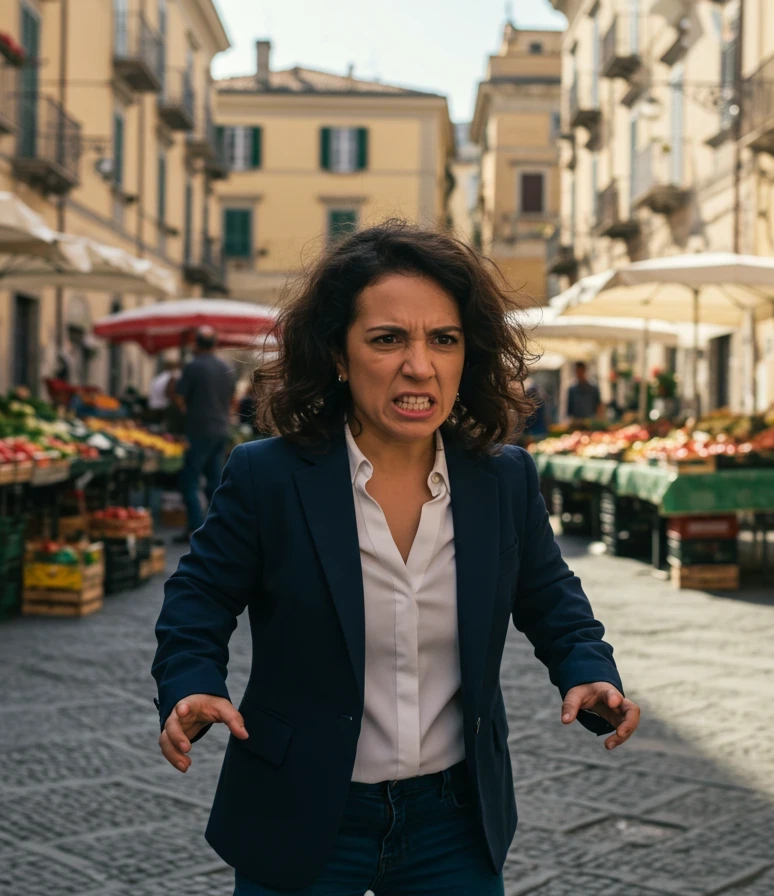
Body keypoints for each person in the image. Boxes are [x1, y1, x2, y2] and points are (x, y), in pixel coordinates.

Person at [151, 222, 639, 895]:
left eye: (444, 339)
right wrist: (191, 682)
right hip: (300, 808)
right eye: (387, 339)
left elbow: (552, 598)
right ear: (339, 355)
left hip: (454, 822)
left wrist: (587, 670)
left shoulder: (503, 479)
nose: (420, 365)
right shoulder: (268, 476)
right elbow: (198, 598)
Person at [171, 325, 235, 541]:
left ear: (196, 344)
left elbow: (179, 398)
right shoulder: (225, 367)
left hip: (199, 430)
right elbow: (232, 401)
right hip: (221, 429)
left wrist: (185, 408)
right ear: (215, 344)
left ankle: (196, 528)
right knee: (215, 482)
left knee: (189, 481)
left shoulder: (193, 366)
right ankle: (216, 528)